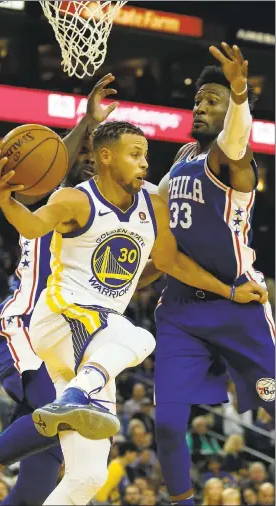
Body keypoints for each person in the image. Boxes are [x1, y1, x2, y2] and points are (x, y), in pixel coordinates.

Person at [0, 117, 264, 506]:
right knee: (140, 335)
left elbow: (170, 263)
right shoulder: (74, 200)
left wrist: (229, 291)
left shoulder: (153, 205)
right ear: (105, 156)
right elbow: (32, 226)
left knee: (88, 475)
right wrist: (5, 201)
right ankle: (76, 397)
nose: (144, 163)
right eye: (134, 155)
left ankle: (75, 395)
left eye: (145, 155)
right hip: (62, 319)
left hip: (95, 345)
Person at [0, 74, 119, 505]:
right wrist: (86, 124)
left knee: (50, 448)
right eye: (86, 157)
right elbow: (52, 161)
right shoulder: (58, 199)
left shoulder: (116, 219)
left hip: (64, 341)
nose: (92, 162)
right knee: (57, 415)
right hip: (25, 327)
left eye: (99, 157)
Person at [145, 42, 275, 505]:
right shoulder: (181, 159)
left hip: (238, 305)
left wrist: (239, 95)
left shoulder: (232, 163)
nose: (200, 107)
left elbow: (237, 139)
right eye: (198, 99)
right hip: (180, 308)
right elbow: (159, 230)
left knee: (273, 405)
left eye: (212, 101)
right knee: (164, 422)